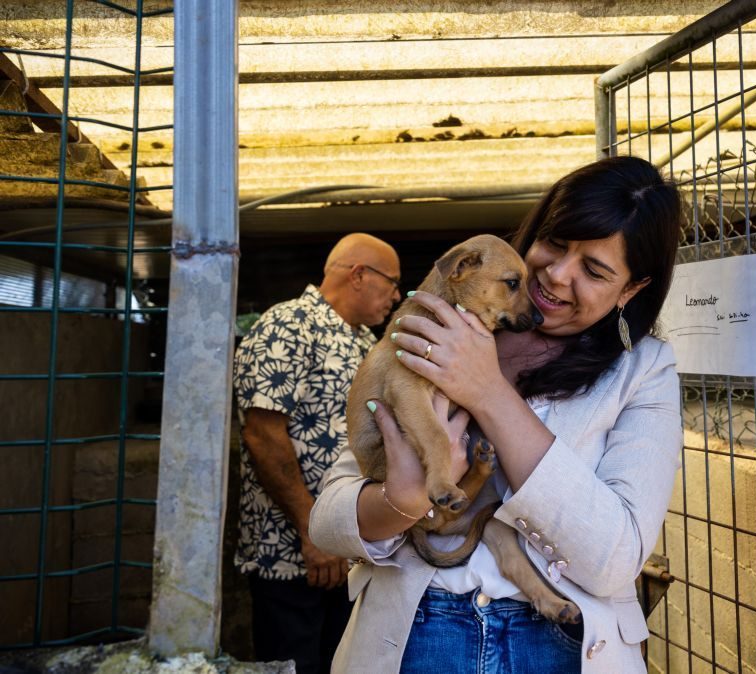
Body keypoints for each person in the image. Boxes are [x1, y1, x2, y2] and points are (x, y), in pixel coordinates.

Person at [309, 156, 685, 673]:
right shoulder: (447, 331)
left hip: (558, 648)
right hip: (414, 635)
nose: (555, 275)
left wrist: (488, 392)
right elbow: (328, 522)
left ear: (632, 289)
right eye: (554, 243)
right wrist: (401, 498)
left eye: (594, 270)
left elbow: (615, 560)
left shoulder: (644, 371)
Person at [233, 233, 402, 673]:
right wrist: (312, 532)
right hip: (293, 557)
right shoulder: (287, 325)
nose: (398, 295)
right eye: (393, 282)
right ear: (359, 275)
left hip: (350, 553)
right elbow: (262, 435)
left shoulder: (367, 343)